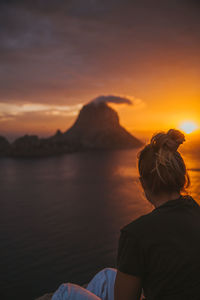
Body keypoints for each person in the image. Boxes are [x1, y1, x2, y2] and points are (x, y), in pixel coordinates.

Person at [52, 129, 200, 300]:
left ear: (143, 183)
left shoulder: (136, 234)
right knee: (106, 277)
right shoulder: (195, 211)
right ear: (182, 177)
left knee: (66, 292)